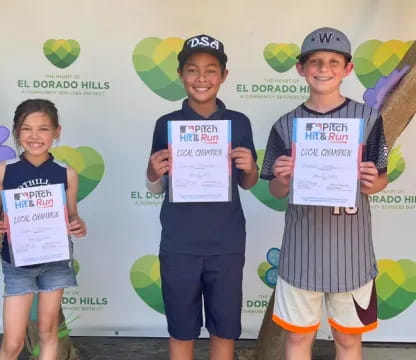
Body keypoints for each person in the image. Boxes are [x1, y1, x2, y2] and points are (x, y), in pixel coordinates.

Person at [260, 27, 388, 360]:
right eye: (315, 61)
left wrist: (373, 181)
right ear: (301, 68)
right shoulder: (285, 125)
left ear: (347, 68)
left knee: (347, 342)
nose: (323, 68)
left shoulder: (369, 118)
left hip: (352, 256)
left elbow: (380, 181)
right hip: (301, 254)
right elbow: (275, 190)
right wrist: (283, 179)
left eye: (333, 61)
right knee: (298, 342)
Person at [146, 34, 258, 360]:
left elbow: (248, 182)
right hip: (180, 243)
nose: (201, 79)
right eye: (193, 70)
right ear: (181, 75)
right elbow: (157, 185)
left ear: (224, 76)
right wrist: (153, 171)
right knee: (181, 328)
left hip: (226, 243)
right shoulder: (166, 124)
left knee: (224, 328)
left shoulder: (238, 123)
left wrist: (250, 167)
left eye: (211, 71)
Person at [0, 99, 86, 360]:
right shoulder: (3, 171)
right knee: (13, 342)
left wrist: (77, 224)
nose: (34, 136)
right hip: (17, 263)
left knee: (48, 332)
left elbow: (72, 216)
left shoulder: (67, 174)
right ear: (17, 131)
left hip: (54, 262)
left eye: (43, 129)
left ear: (56, 131)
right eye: (26, 128)